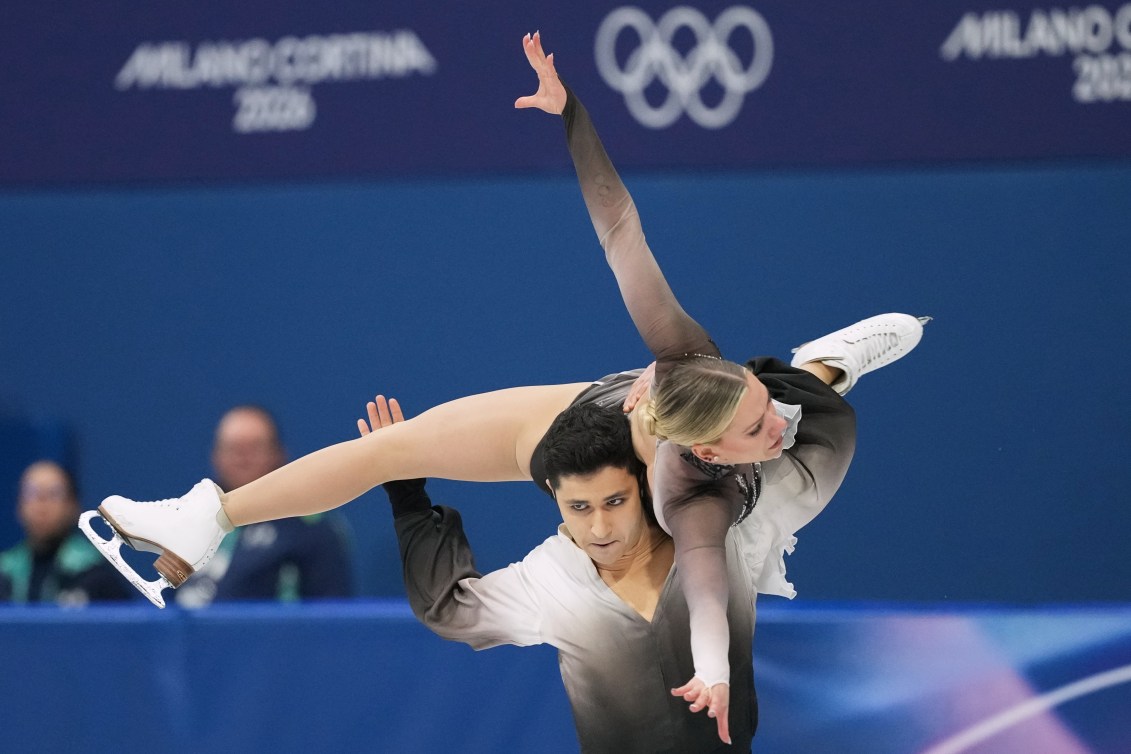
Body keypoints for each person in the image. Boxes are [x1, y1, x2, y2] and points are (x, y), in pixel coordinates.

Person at [80, 31, 927, 740]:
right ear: (679, 401)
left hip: (708, 464)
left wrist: (710, 671)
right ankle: (210, 515)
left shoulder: (703, 492)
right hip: (594, 417)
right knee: (392, 448)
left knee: (807, 391)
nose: (767, 419)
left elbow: (705, 581)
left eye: (753, 413)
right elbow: (619, 226)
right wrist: (573, 117)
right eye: (749, 407)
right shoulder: (683, 354)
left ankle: (829, 360)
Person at [370, 396, 761, 752]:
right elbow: (448, 608)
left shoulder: (718, 530)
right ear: (554, 498)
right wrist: (408, 500)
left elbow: (788, 421)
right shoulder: (548, 579)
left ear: (642, 485)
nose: (600, 528)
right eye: (579, 507)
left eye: (615, 501)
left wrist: (823, 363)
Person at [176, 405, 354, 607]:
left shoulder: (312, 528)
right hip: (189, 637)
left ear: (278, 454)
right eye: (232, 448)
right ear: (215, 457)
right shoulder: (191, 523)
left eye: (254, 448)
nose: (242, 458)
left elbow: (332, 615)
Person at [1, 460, 131, 604]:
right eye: (32, 494)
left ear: (73, 506)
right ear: (19, 506)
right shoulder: (5, 571)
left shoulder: (95, 574)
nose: (41, 506)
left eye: (54, 494)